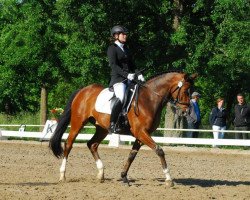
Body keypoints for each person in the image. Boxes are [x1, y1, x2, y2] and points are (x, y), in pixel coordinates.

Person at [107, 25, 145, 133]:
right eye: (123, 34)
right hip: (118, 80)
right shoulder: (112, 48)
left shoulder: (126, 49)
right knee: (121, 96)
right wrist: (126, 74)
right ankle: (112, 124)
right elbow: (114, 65)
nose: (125, 36)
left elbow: (132, 65)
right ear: (116, 35)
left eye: (125, 34)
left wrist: (139, 74)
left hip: (129, 79)